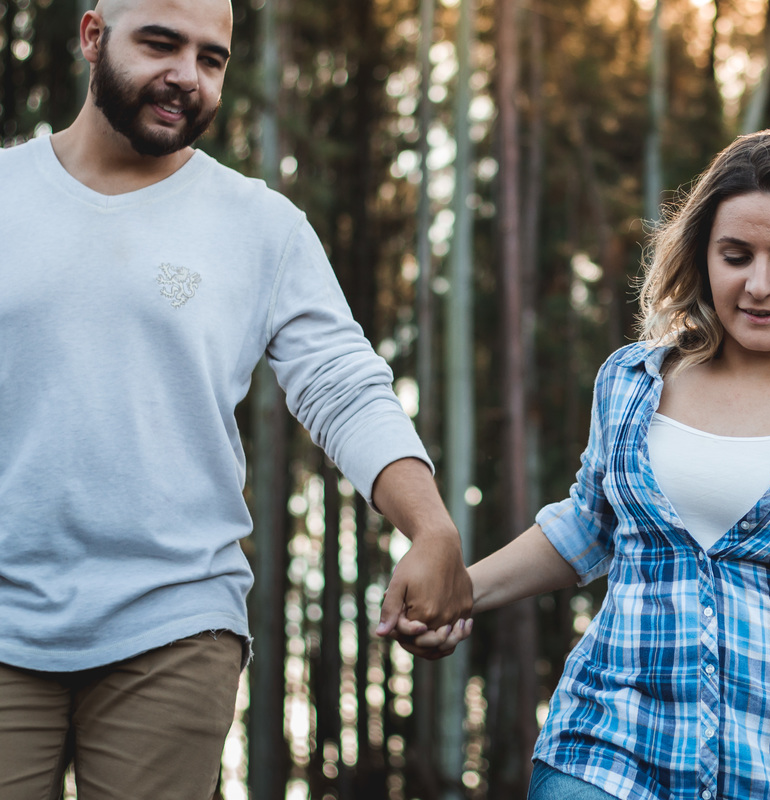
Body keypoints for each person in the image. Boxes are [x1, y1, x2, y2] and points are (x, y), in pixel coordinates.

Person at [406, 128, 770, 800]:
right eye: (736, 255)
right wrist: (460, 591)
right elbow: (586, 527)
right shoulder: (632, 382)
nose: (758, 284)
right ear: (703, 256)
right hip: (606, 754)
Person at [0, 1, 471, 797]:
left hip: (174, 621)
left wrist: (429, 525)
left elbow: (342, 387)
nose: (186, 77)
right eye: (160, 44)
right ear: (91, 36)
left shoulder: (261, 227)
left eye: (211, 58)